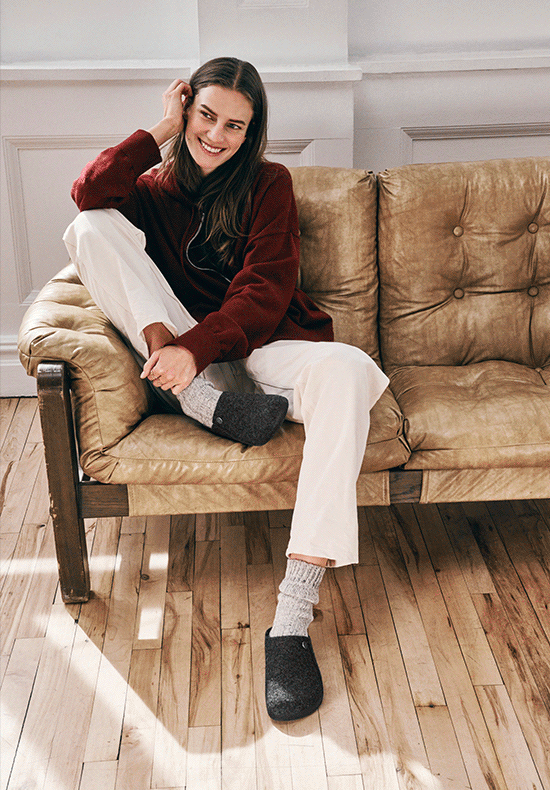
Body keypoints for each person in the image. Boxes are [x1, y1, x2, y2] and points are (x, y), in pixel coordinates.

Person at [63, 57, 389, 722]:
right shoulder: (150, 189)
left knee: (348, 369)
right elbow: (87, 191)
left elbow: (265, 289)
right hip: (190, 361)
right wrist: (161, 129)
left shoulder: (270, 184)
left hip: (256, 349)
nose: (216, 135)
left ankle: (291, 619)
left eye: (234, 125)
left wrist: (196, 349)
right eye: (205, 116)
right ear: (186, 110)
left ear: (251, 132)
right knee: (89, 227)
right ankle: (204, 404)